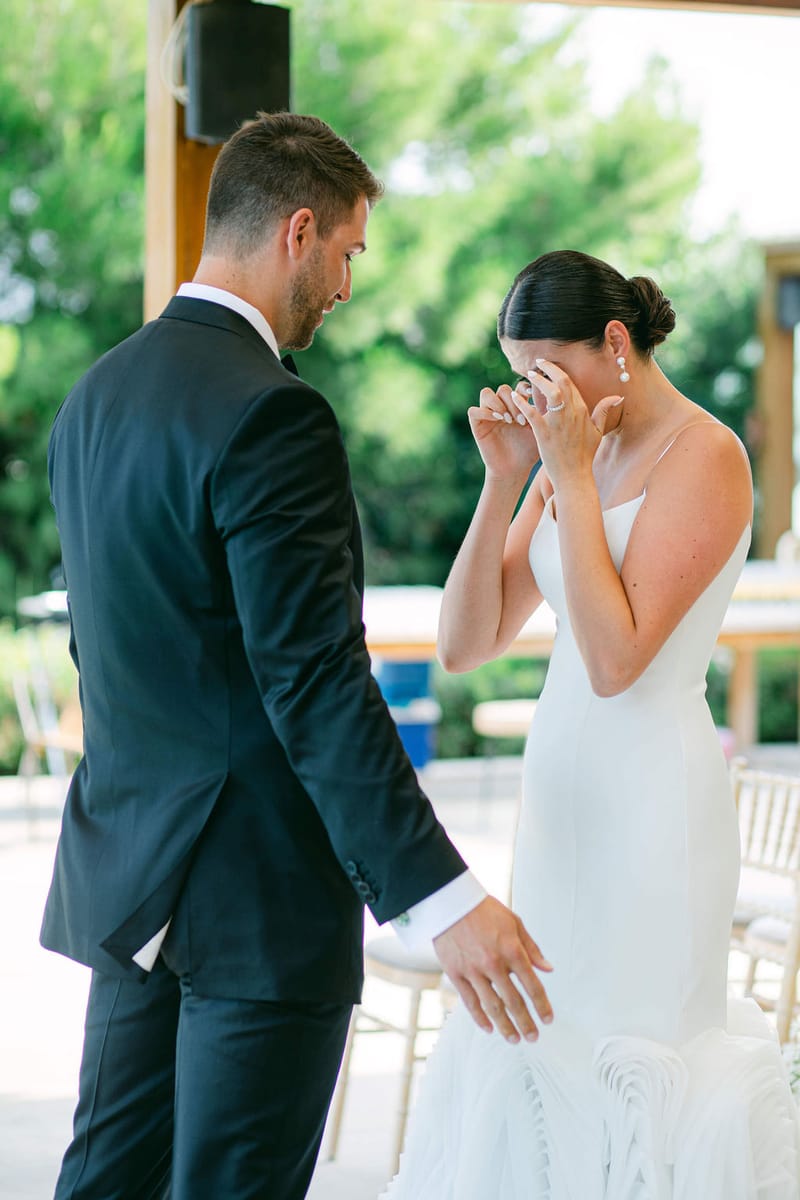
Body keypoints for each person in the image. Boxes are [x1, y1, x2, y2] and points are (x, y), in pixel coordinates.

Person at [40, 112, 553, 1200]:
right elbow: (313, 678)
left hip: (129, 889)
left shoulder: (94, 400)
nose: (347, 285)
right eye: (349, 254)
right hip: (255, 906)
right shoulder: (274, 416)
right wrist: (441, 897)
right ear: (300, 230)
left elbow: (113, 649)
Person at [383, 250, 800, 1198]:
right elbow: (467, 640)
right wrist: (506, 481)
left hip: (655, 797)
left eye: (545, 370)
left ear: (615, 344)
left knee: (632, 1037)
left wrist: (565, 472)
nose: (534, 394)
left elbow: (617, 662)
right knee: (546, 1040)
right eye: (520, 373)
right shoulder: (573, 454)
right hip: (560, 796)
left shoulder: (707, 455)